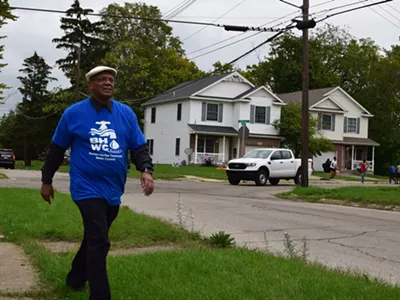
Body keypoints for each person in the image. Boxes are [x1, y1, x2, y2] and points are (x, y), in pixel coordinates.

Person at [40, 66, 154, 300]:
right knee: (100, 240)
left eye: (111, 79)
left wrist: (146, 170)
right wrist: (46, 180)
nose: (108, 83)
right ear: (90, 85)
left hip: (113, 188)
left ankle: (75, 278)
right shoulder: (73, 114)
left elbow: (138, 147)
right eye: (102, 79)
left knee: (94, 238)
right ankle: (100, 295)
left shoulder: (126, 114)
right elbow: (56, 150)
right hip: (85, 187)